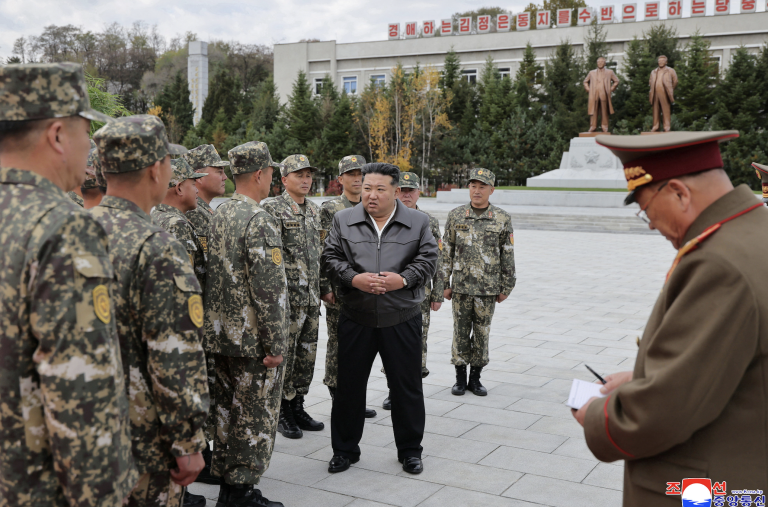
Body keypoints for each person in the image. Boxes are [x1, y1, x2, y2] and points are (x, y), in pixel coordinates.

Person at [572, 130, 768, 506]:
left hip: (713, 490)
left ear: (679, 193)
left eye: (647, 209)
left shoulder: (719, 262)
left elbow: (662, 413)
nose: (649, 224)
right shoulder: (750, 233)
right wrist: (644, 376)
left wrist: (597, 416)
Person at [0, 62, 137, 506]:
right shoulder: (63, 226)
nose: (90, 148)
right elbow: (80, 388)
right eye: (86, 132)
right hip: (31, 483)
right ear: (58, 135)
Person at [92, 115, 210, 507]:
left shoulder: (72, 229)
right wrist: (188, 439)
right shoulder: (156, 246)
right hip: (142, 437)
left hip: (85, 426)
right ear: (158, 168)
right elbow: (173, 352)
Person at [322, 162, 438, 475]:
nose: (371, 195)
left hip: (401, 317)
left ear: (396, 192)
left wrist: (402, 279)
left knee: (406, 388)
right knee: (348, 388)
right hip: (355, 316)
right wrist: (352, 279)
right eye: (366, 188)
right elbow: (330, 257)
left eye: (379, 189)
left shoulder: (418, 221)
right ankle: (344, 450)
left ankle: (410, 450)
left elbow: (429, 259)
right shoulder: (343, 220)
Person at [205, 141, 288, 507]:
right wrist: (276, 344)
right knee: (254, 416)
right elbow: (269, 290)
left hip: (222, 335)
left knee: (226, 411)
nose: (272, 180)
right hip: (253, 340)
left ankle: (227, 485)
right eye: (271, 173)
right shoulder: (259, 218)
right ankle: (241, 492)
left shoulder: (220, 212)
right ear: (259, 174)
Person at [263, 154, 330, 439]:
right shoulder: (271, 208)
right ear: (284, 179)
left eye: (308, 175)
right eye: (299, 174)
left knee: (305, 357)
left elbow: (322, 255)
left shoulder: (315, 211)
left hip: (311, 299)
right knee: (286, 358)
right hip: (287, 301)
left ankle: (297, 405)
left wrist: (325, 289)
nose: (305, 180)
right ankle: (281, 411)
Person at [442, 168, 516, 397]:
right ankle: (459, 379)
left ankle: (476, 378)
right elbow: (447, 252)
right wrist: (444, 282)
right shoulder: (456, 215)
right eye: (473, 185)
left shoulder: (502, 218)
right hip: (461, 287)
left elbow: (508, 253)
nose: (477, 190)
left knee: (482, 333)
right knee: (460, 332)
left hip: (488, 289)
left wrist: (507, 287)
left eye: (482, 186)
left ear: (491, 190)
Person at [181, 143, 229, 484]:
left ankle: (206, 451)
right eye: (218, 169)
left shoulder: (208, 212)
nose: (224, 175)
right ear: (197, 176)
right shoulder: (193, 214)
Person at [319, 155, 376, 418]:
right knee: (339, 343)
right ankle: (338, 397)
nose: (357, 179)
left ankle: (354, 397)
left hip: (367, 291)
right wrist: (324, 287)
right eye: (351, 174)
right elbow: (323, 251)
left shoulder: (372, 206)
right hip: (340, 290)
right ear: (340, 179)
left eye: (360, 174)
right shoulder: (331, 209)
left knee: (361, 346)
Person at [381, 171, 444, 411]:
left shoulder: (428, 220)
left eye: (411, 190)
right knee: (389, 342)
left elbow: (438, 259)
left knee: (417, 342)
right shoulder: (384, 217)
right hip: (390, 293)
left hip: (419, 294)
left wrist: (437, 293)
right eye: (402, 190)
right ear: (395, 191)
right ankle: (392, 389)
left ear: (419, 192)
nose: (406, 195)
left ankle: (411, 389)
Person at [151, 158, 208, 293]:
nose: (197, 191)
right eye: (193, 184)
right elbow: (183, 286)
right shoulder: (177, 225)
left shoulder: (156, 216)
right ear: (179, 188)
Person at [583, 56, 620, 133]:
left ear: (605, 63)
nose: (599, 63)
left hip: (604, 94)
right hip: (594, 95)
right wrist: (588, 89)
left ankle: (604, 127)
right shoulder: (591, 72)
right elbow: (585, 81)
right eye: (598, 62)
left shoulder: (609, 72)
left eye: (601, 62)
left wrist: (611, 89)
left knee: (604, 111)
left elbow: (616, 81)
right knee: (593, 111)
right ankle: (593, 126)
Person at [648, 55, 678, 133]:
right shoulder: (653, 71)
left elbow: (675, 81)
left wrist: (670, 90)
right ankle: (655, 126)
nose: (660, 62)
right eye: (659, 61)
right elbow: (650, 81)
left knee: (666, 110)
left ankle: (666, 126)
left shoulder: (670, 70)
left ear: (666, 62)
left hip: (664, 92)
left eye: (662, 61)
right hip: (655, 93)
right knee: (655, 110)